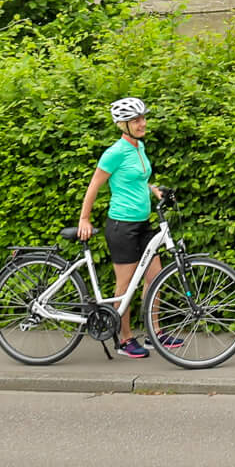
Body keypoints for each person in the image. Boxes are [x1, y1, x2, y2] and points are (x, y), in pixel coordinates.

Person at [77, 96, 161, 360]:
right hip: (122, 226)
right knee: (125, 286)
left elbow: (136, 179)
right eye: (135, 120)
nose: (142, 123)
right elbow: (94, 185)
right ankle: (124, 340)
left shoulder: (139, 147)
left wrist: (153, 189)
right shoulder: (114, 153)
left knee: (156, 278)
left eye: (142, 118)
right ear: (122, 125)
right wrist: (84, 218)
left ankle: (155, 334)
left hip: (143, 223)